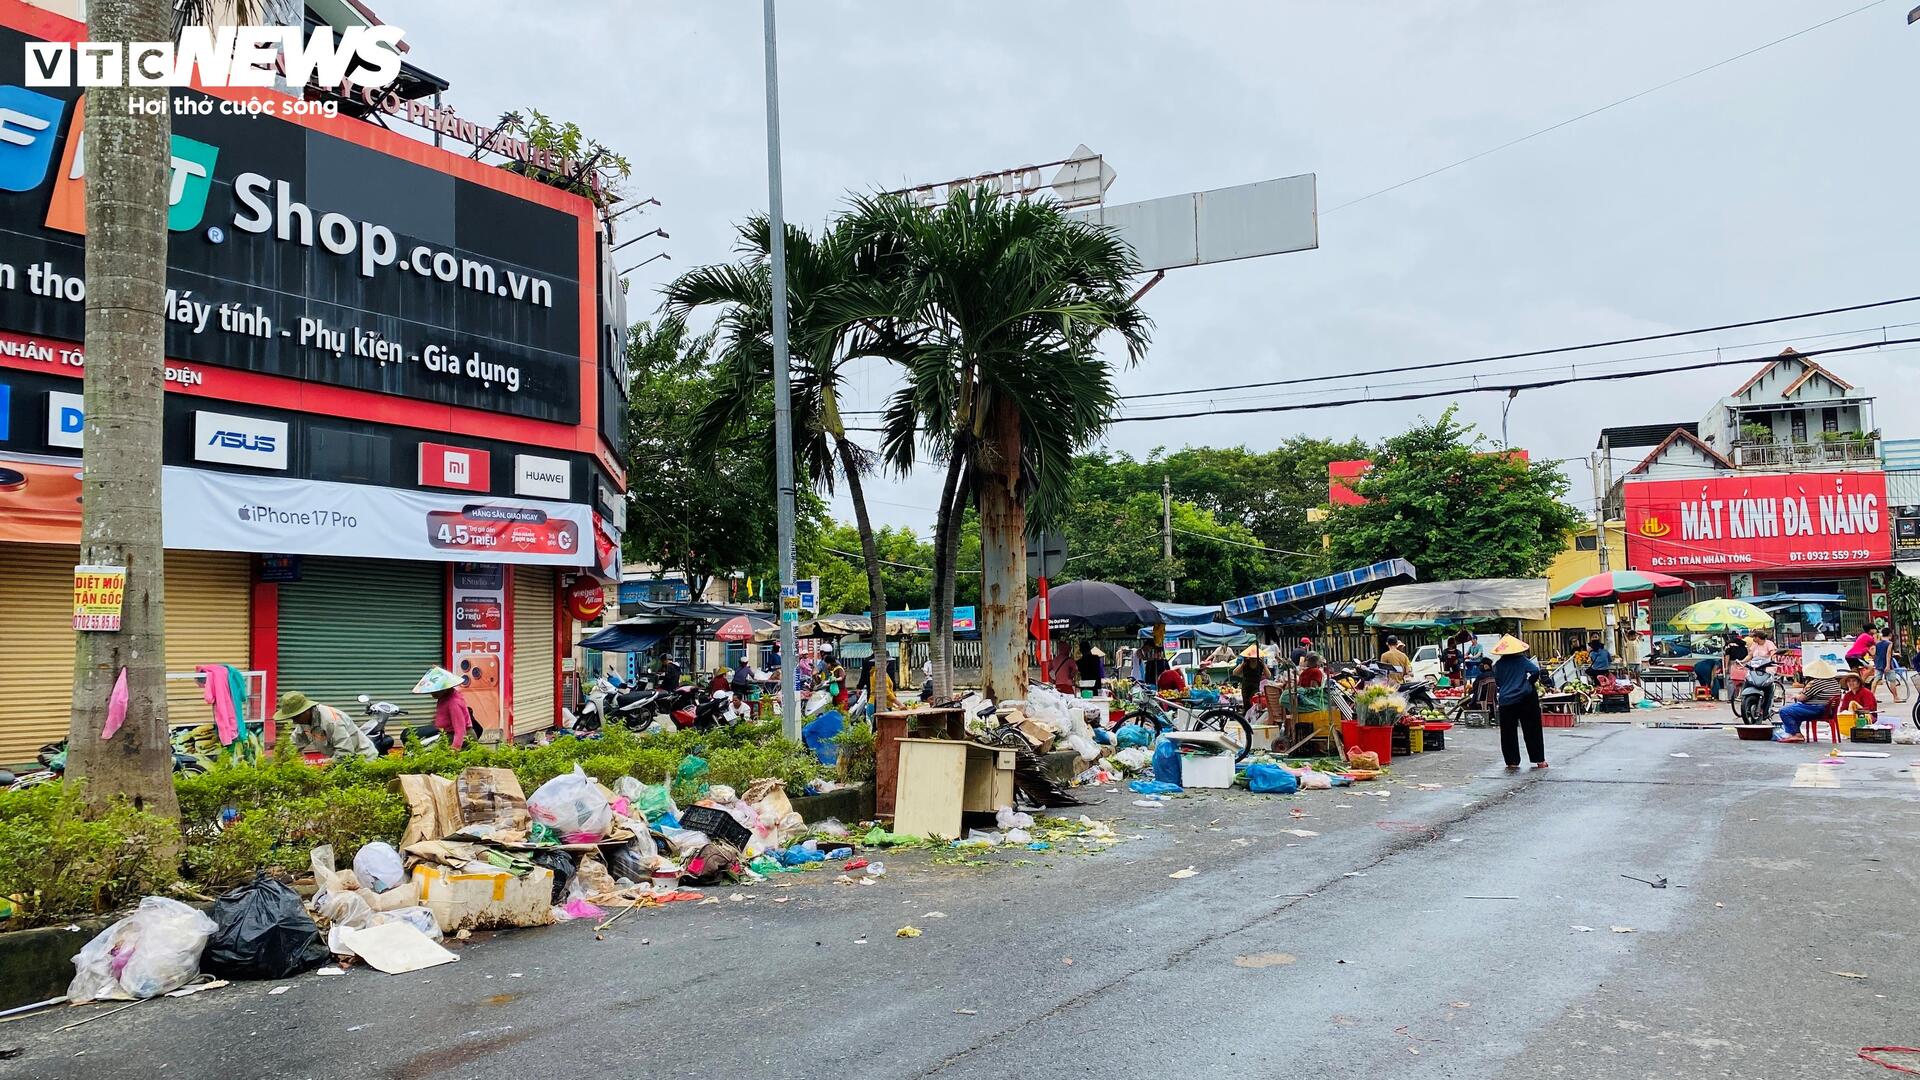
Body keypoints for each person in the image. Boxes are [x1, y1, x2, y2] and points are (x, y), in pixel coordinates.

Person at [1490, 635, 1547, 771]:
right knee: (1532, 729)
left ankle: (1512, 761)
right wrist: (1528, 683)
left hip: (1506, 700)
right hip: (1525, 698)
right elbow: (1535, 671)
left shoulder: (1498, 665)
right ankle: (1539, 760)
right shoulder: (1522, 660)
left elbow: (1498, 681)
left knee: (1508, 732)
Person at [276, 690, 378, 762]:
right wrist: (280, 759)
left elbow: (345, 753)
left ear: (305, 711)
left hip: (363, 759)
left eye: (296, 717)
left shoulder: (331, 721)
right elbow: (293, 745)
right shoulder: (304, 722)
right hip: (341, 760)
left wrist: (326, 768)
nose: (294, 722)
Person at [1777, 657, 1842, 743]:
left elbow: (1802, 698)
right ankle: (1794, 733)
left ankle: (1796, 734)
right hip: (1827, 710)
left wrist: (1796, 696)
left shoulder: (1817, 683)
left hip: (1817, 709)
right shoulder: (1834, 682)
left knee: (1784, 711)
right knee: (1795, 709)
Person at [414, 666, 476, 750]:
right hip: (447, 735)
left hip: (461, 738)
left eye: (435, 690)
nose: (432, 693)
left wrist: (455, 748)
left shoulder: (453, 703)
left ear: (445, 689)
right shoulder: (443, 698)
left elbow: (460, 730)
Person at [1231, 644, 1269, 712]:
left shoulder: (1260, 664)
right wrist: (1242, 664)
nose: (1253, 659)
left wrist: (1264, 664)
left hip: (1255, 687)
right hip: (1246, 687)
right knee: (1246, 705)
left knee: (1254, 704)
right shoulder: (1245, 663)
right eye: (1252, 657)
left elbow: (1268, 675)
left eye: (1255, 657)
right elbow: (1234, 673)